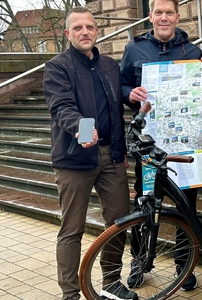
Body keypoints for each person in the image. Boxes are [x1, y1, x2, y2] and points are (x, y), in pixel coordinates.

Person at [43, 6, 138, 300]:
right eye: (78, 28)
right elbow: (61, 106)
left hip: (110, 156)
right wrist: (83, 131)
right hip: (74, 159)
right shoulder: (57, 67)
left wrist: (120, 150)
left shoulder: (109, 65)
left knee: (120, 220)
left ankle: (111, 282)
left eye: (90, 27)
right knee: (72, 229)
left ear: (97, 31)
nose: (85, 32)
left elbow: (115, 109)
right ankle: (70, 294)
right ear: (67, 33)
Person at [120, 0, 202, 291]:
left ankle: (184, 263)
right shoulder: (133, 49)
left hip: (184, 146)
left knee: (186, 205)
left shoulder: (192, 51)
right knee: (144, 204)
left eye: (170, 13)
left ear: (177, 17)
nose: (164, 18)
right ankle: (140, 262)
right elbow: (120, 87)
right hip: (149, 147)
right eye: (159, 13)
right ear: (150, 16)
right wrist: (130, 94)